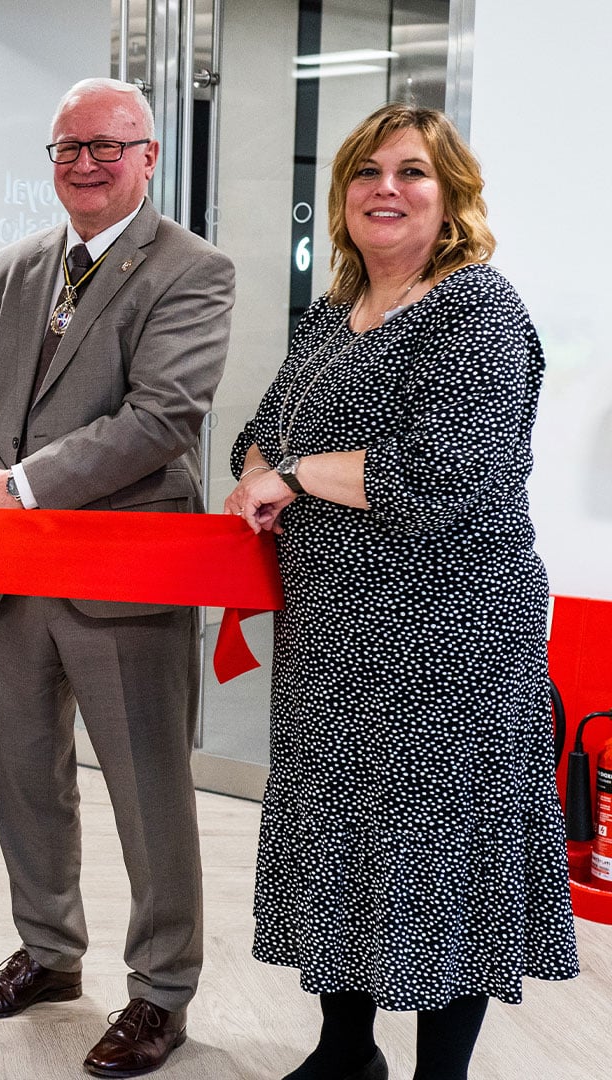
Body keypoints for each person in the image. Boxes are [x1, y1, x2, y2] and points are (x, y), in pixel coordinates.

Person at [224, 103, 577, 1080]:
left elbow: (443, 470)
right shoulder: (330, 315)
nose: (388, 188)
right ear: (341, 200)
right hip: (334, 640)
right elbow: (257, 431)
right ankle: (345, 1052)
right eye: (367, 171)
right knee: (336, 832)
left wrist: (289, 477)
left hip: (453, 639)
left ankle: (439, 1075)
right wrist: (263, 469)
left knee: (435, 848)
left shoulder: (479, 310)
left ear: (451, 197)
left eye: (414, 172)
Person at [0, 76, 234, 1077]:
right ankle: (50, 953)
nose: (87, 162)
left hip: (127, 575)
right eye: (69, 147)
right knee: (26, 777)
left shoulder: (192, 269)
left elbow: (163, 419)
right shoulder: (17, 266)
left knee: (149, 796)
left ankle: (161, 993)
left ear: (149, 156)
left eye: (110, 145)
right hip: (15, 577)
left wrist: (16, 486)